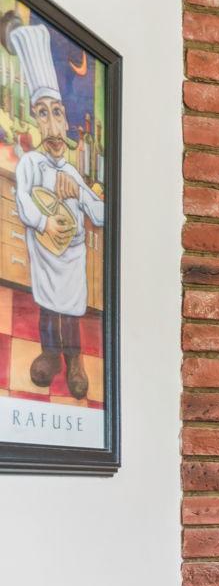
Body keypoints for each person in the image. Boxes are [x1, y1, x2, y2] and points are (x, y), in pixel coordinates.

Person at [7, 20, 104, 400]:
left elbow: (100, 214)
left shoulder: (73, 172)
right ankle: (50, 353)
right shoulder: (30, 164)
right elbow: (24, 201)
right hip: (45, 252)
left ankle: (74, 360)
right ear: (36, 119)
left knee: (71, 312)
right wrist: (44, 221)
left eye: (57, 113)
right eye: (43, 113)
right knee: (48, 307)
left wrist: (79, 193)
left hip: (72, 256)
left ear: (65, 121)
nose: (51, 124)